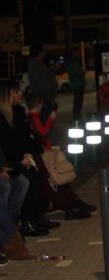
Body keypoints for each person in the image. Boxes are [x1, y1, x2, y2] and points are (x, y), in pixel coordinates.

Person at [25, 93, 95, 220]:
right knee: (56, 178)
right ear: (39, 104)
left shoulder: (32, 117)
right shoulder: (33, 117)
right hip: (43, 154)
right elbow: (43, 132)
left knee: (58, 178)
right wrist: (51, 119)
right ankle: (70, 205)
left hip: (44, 152)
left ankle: (73, 203)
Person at [0, 81, 56, 237]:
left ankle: (33, 217)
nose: (20, 95)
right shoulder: (4, 116)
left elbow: (23, 138)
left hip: (16, 158)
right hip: (10, 161)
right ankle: (19, 223)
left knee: (37, 177)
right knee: (25, 181)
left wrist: (29, 153)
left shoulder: (16, 111)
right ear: (9, 95)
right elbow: (8, 144)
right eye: (17, 92)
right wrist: (20, 157)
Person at [26, 44, 58, 122]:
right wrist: (47, 98)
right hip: (43, 99)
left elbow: (46, 76)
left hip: (44, 98)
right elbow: (41, 82)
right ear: (40, 51)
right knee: (45, 122)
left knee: (46, 122)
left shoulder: (39, 63)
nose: (45, 51)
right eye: (44, 49)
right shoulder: (35, 64)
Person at [66, 46, 86, 121]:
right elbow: (80, 73)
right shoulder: (74, 62)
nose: (79, 55)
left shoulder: (69, 62)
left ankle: (76, 117)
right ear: (74, 53)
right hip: (78, 84)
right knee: (78, 102)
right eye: (78, 53)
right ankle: (77, 118)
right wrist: (83, 72)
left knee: (77, 102)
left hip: (75, 84)